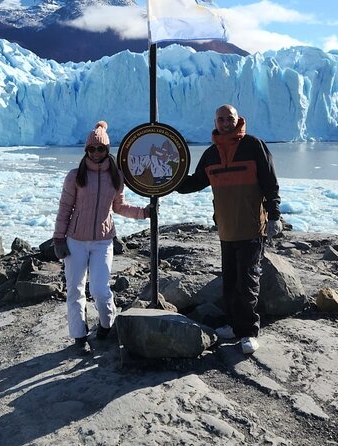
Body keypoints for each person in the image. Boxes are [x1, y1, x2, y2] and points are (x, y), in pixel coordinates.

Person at [176, 104, 282, 354]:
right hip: (226, 228)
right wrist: (166, 180)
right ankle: (235, 326)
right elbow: (195, 182)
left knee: (247, 282)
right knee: (231, 281)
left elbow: (270, 181)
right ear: (215, 122)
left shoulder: (254, 146)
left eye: (229, 119)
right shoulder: (212, 153)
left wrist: (274, 215)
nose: (225, 123)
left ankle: (248, 332)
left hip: (252, 227)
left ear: (238, 120)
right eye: (221, 119)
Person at [53, 121, 151, 355]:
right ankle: (79, 336)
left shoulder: (116, 177)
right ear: (86, 150)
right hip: (75, 240)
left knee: (99, 288)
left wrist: (143, 213)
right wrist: (58, 239)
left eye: (101, 149)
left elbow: (119, 206)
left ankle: (107, 324)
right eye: (92, 149)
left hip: (103, 240)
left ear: (108, 150)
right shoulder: (75, 176)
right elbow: (65, 208)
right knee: (75, 290)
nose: (96, 153)